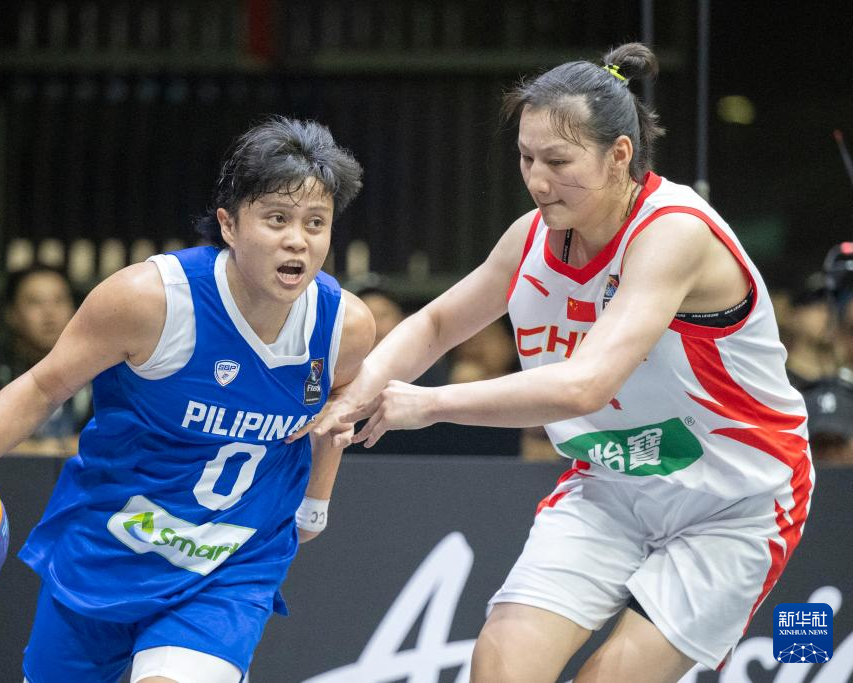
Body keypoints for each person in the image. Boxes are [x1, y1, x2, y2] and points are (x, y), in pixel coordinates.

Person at [294, 43, 812, 682]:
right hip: (613, 484)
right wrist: (357, 393)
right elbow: (437, 323)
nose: (537, 181)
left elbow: (585, 386)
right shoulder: (532, 236)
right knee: (501, 665)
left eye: (559, 161)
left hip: (733, 499)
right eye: (526, 158)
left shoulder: (673, 234)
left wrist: (428, 404)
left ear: (619, 154)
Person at [0, 117, 374, 683]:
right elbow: (42, 387)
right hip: (107, 547)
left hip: (229, 566)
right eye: (277, 218)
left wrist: (315, 502)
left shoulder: (344, 326)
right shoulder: (149, 300)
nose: (298, 239)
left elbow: (341, 404)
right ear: (228, 224)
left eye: (316, 223)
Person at [0, 264, 89, 456]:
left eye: (59, 301)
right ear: (12, 314)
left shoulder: (95, 365)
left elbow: (109, 441)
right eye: (35, 302)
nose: (49, 312)